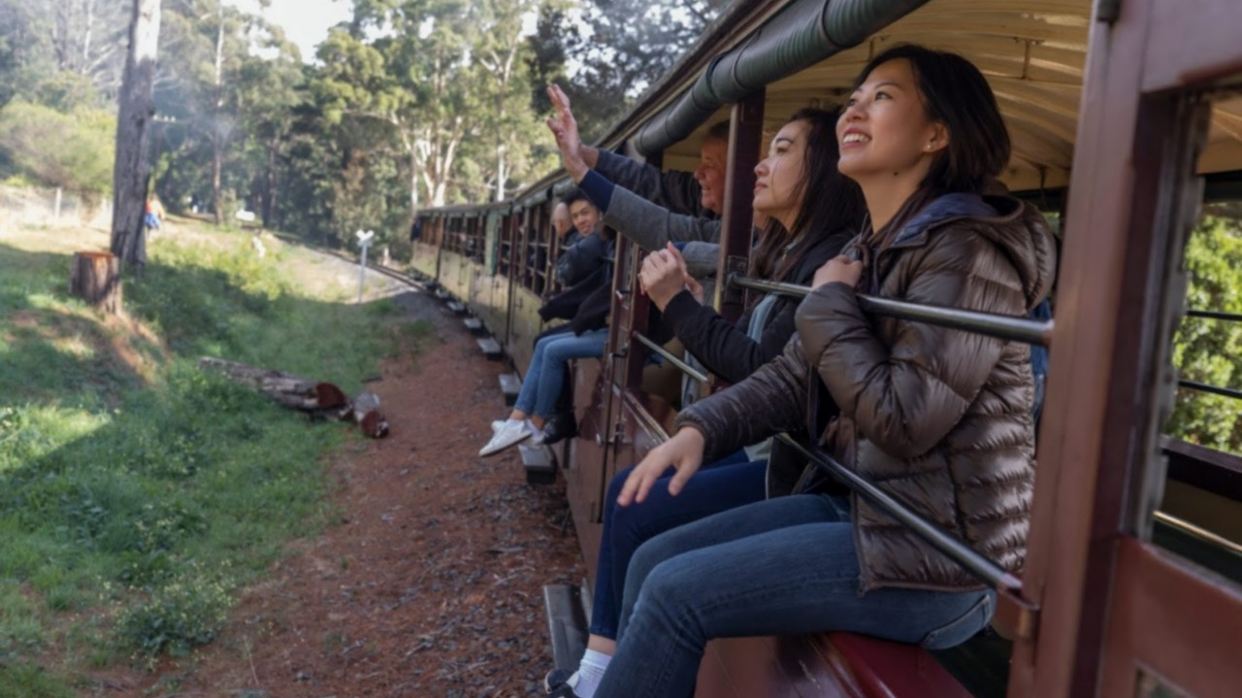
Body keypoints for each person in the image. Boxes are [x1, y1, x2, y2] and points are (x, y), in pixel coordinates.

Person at [569, 45, 1056, 698]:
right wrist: (700, 431)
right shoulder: (877, 248)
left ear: (937, 134)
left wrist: (827, 305)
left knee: (674, 592)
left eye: (882, 96)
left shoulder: (969, 253)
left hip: (933, 558)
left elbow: (905, 418)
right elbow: (794, 373)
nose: (856, 105)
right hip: (859, 507)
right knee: (654, 556)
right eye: (857, 94)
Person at [543, 108, 867, 697]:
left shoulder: (827, 262)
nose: (758, 168)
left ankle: (603, 671)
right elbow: (761, 362)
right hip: (767, 446)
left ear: (822, 171)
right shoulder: (784, 249)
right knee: (634, 500)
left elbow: (759, 368)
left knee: (640, 515)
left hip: (786, 463)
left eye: (782, 150)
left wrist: (678, 306)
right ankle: (602, 670)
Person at [555, 190, 608, 286]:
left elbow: (563, 275)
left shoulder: (601, 241)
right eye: (575, 216)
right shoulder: (578, 239)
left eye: (585, 213)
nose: (580, 221)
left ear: (599, 212)